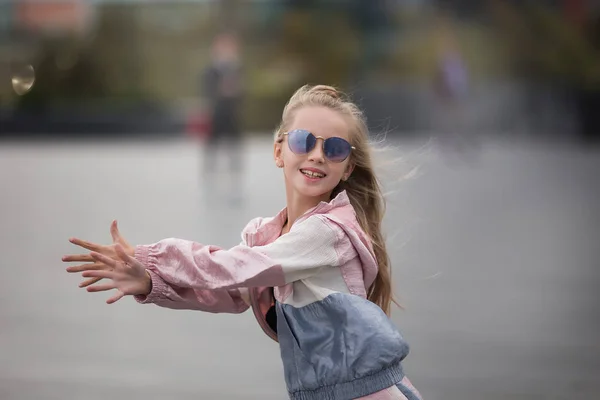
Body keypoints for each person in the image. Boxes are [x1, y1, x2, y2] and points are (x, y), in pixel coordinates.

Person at [62, 85, 423, 400]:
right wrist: (151, 283)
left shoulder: (326, 234)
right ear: (279, 151)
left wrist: (153, 256)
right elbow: (232, 292)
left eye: (335, 148)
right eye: (303, 141)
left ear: (347, 167)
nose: (316, 155)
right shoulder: (272, 237)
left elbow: (233, 268)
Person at [200, 32, 244, 202]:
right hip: (215, 116)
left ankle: (235, 181)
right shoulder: (211, 70)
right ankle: (209, 180)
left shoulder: (237, 69)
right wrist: (221, 92)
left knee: (234, 149)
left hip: (232, 116)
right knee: (212, 148)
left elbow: (242, 93)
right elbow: (207, 92)